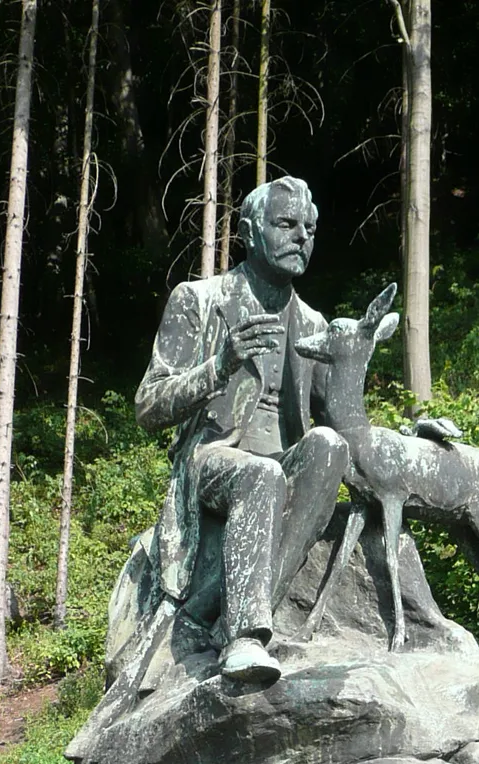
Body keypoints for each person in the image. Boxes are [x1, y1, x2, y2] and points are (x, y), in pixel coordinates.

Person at [135, 176, 348, 686]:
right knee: (260, 476)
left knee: (328, 445)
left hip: (283, 459)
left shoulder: (313, 323)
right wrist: (221, 363)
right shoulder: (199, 300)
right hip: (212, 457)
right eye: (286, 224)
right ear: (249, 232)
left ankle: (237, 613)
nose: (302, 237)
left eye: (310, 228)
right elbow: (148, 406)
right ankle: (244, 638)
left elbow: (341, 422)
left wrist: (411, 437)